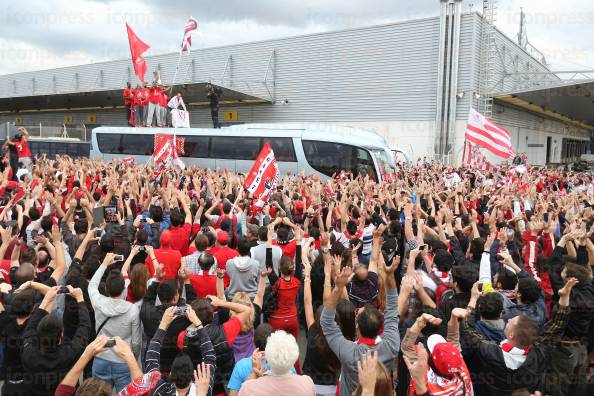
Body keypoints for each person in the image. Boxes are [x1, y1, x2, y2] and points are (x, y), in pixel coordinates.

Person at [461, 277, 578, 395]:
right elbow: (557, 325)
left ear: (511, 335)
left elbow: (467, 330)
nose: (509, 318)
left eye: (511, 321)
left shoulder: (490, 351)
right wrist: (564, 297)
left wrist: (473, 300)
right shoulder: (539, 353)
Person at [321, 231, 400, 396]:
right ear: (381, 326)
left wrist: (338, 286)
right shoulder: (391, 346)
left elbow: (327, 322)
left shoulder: (350, 353)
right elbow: (392, 309)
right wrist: (390, 276)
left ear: (357, 324)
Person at [21, 286, 91, 396]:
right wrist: (80, 299)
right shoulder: (69, 353)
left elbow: (29, 329)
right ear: (61, 335)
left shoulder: (29, 354)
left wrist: (46, 300)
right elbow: (84, 327)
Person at [88, 252, 141, 392]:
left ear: (106, 289)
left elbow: (92, 285)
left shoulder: (98, 302)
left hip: (100, 356)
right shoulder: (133, 310)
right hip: (122, 359)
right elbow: (136, 342)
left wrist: (104, 264)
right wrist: (132, 357)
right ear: (124, 289)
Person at [146, 306, 216, 396]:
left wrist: (163, 324)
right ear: (193, 376)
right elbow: (210, 356)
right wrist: (198, 324)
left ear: (171, 374)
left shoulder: (160, 391)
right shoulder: (204, 389)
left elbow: (151, 360)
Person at [238, 330, 316, 396]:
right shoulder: (307, 383)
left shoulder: (249, 389)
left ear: (267, 357)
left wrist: (254, 371)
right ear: (294, 357)